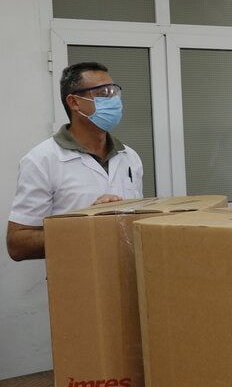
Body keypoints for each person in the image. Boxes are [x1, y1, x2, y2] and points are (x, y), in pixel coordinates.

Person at [7, 62, 143, 261]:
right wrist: (85, 227)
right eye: (103, 93)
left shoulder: (129, 157)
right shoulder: (42, 160)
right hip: (78, 280)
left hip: (130, 277)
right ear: (74, 102)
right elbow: (18, 244)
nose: (113, 100)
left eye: (114, 91)